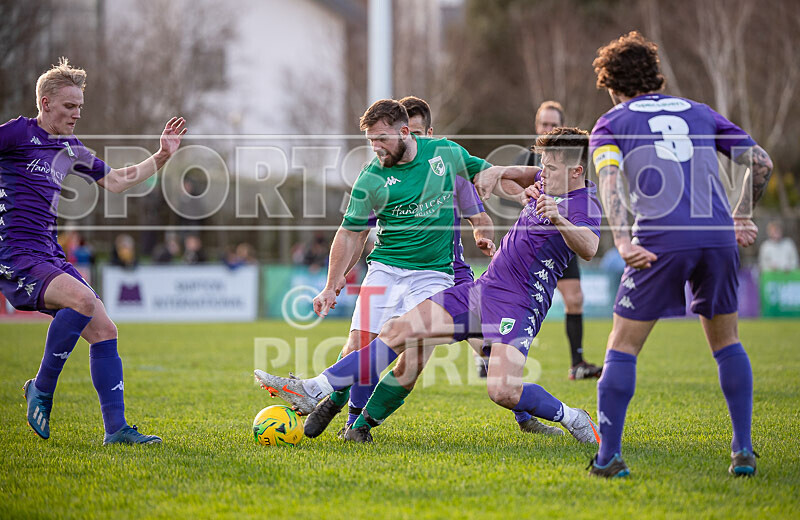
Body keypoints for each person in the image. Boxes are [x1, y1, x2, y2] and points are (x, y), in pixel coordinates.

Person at [255, 127, 602, 446]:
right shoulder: (548, 179)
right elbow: (522, 174)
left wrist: (557, 217)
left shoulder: (584, 203)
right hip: (481, 291)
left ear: (575, 172)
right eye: (543, 166)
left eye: (551, 169)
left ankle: (573, 417)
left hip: (519, 305)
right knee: (396, 331)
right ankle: (316, 388)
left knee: (503, 391)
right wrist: (498, 171)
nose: (543, 174)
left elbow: (588, 247)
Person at [299, 96, 562, 441]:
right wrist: (333, 283)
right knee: (364, 346)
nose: (416, 141)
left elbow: (481, 215)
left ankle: (524, 414)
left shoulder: (450, 167)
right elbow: (354, 231)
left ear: (424, 133)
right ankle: (343, 406)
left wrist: (485, 233)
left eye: (422, 133)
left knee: (484, 350)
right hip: (401, 270)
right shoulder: (380, 175)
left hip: (454, 274)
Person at [587, 31, 773, 478]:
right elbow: (761, 163)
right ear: (655, 76)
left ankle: (608, 457)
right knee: (727, 341)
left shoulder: (611, 122)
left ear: (612, 83)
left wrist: (622, 240)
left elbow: (610, 183)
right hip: (716, 238)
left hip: (659, 238)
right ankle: (743, 451)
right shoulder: (699, 111)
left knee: (622, 345)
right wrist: (742, 214)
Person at [0, 58, 187, 445]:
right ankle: (42, 387)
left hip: (48, 252)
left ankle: (115, 430)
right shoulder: (18, 133)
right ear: (45, 103)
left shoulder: (70, 148)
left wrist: (163, 155)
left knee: (104, 330)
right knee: (83, 300)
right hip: (15, 252)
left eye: (80, 107)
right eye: (70, 106)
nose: (77, 114)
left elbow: (117, 181)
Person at [515, 101, 602, 381]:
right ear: (536, 126)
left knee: (575, 298)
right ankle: (491, 353)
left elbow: (589, 244)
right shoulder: (532, 160)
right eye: (544, 124)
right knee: (508, 298)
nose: (548, 129)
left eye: (553, 125)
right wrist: (520, 195)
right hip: (536, 244)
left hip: (565, 240)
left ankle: (577, 362)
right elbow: (510, 181)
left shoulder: (567, 159)